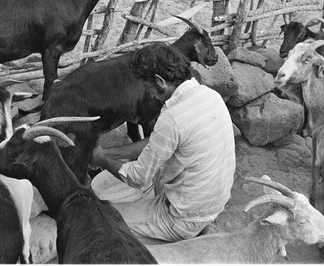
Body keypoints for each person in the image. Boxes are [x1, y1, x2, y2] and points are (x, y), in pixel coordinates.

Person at [91, 42, 235, 243]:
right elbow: (156, 142)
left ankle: (166, 237)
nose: (148, 94)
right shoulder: (210, 96)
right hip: (211, 204)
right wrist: (110, 152)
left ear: (160, 82)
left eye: (147, 87)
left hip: (183, 218)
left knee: (98, 218)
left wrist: (102, 158)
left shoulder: (173, 117)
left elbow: (137, 178)